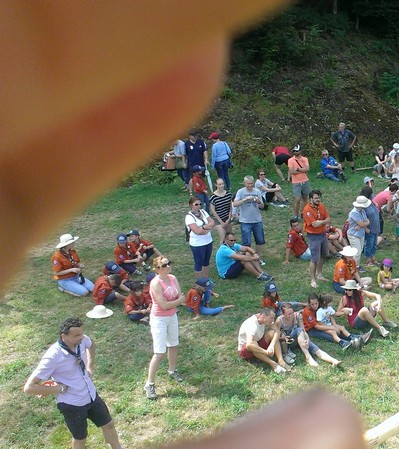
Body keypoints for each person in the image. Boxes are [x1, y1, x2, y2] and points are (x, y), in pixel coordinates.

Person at [6, 3, 368, 447]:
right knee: (99, 295)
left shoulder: (169, 278)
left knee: (179, 314)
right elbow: (187, 287)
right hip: (151, 309)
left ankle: (173, 367)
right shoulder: (172, 267)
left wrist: (176, 261)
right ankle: (156, 371)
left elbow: (188, 265)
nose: (160, 264)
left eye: (161, 265)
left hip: (168, 307)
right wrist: (166, 289)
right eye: (160, 265)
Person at [23, 317, 123, 449]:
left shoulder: (82, 341)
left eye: (81, 333)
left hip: (91, 396)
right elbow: (29, 388)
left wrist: (90, 366)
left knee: (109, 425)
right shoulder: (53, 357)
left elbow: (91, 344)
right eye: (76, 335)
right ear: (63, 336)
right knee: (80, 438)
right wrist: (59, 389)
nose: (81, 337)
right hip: (72, 404)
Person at [144, 256, 184, 400]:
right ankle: (149, 384)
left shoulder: (173, 278)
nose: (168, 266)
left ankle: (172, 370)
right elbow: (164, 305)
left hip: (172, 316)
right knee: (159, 352)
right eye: (164, 265)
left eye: (169, 263)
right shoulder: (155, 283)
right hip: (159, 319)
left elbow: (179, 297)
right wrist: (177, 301)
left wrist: (176, 302)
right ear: (157, 269)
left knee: (173, 344)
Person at [276, 303, 341, 367]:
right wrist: (284, 338)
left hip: (299, 339)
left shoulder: (298, 316)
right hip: (286, 343)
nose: (291, 315)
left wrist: (307, 339)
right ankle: (308, 357)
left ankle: (333, 360)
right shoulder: (280, 320)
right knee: (298, 330)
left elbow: (303, 331)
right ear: (283, 314)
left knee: (315, 348)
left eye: (292, 313)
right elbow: (276, 336)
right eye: (288, 314)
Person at [237, 308, 290, 374]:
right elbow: (249, 344)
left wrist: (271, 346)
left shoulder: (262, 318)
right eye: (271, 318)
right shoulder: (252, 325)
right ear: (264, 315)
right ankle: (273, 364)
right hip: (246, 350)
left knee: (272, 333)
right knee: (254, 343)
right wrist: (265, 352)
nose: (273, 320)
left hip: (258, 342)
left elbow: (277, 331)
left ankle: (281, 361)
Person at [233, 175, 267, 262]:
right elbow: (235, 204)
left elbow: (262, 206)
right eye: (248, 184)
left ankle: (258, 258)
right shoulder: (240, 192)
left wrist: (258, 201)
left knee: (260, 240)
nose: (250, 185)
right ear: (244, 183)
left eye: (251, 183)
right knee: (246, 242)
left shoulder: (257, 191)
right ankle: (245, 259)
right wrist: (245, 199)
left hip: (257, 220)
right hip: (245, 221)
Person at [303, 190, 331, 288]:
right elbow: (314, 224)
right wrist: (324, 222)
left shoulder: (321, 206)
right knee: (314, 258)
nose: (318, 200)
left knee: (323, 255)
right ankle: (313, 279)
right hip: (314, 236)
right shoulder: (307, 209)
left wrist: (321, 222)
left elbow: (328, 219)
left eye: (318, 198)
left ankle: (319, 274)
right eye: (315, 198)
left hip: (323, 234)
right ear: (311, 199)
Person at [185, 195, 215, 279]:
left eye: (200, 204)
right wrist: (206, 227)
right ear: (191, 205)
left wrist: (203, 228)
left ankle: (206, 279)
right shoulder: (189, 217)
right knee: (199, 263)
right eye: (196, 204)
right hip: (197, 243)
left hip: (208, 241)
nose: (199, 206)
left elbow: (212, 222)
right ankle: (199, 282)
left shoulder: (203, 212)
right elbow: (197, 231)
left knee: (206, 262)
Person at [347, 195, 372, 269]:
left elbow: (366, 221)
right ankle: (354, 267)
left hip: (360, 233)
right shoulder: (354, 213)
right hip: (353, 234)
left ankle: (355, 265)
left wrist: (362, 225)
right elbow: (363, 223)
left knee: (360, 250)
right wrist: (363, 224)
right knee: (357, 252)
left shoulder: (362, 211)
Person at [288, 145, 311, 218]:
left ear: (300, 151)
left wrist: (298, 169)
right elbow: (291, 171)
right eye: (294, 151)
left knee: (305, 198)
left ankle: (303, 213)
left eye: (297, 151)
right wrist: (302, 170)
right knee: (297, 199)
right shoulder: (290, 160)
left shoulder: (305, 159)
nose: (295, 152)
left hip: (305, 180)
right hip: (296, 182)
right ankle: (296, 215)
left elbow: (307, 169)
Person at [361, 186, 382, 268]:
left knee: (374, 244)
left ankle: (373, 258)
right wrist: (366, 228)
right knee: (369, 244)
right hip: (369, 228)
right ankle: (368, 260)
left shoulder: (372, 203)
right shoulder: (364, 206)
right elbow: (362, 218)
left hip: (376, 227)